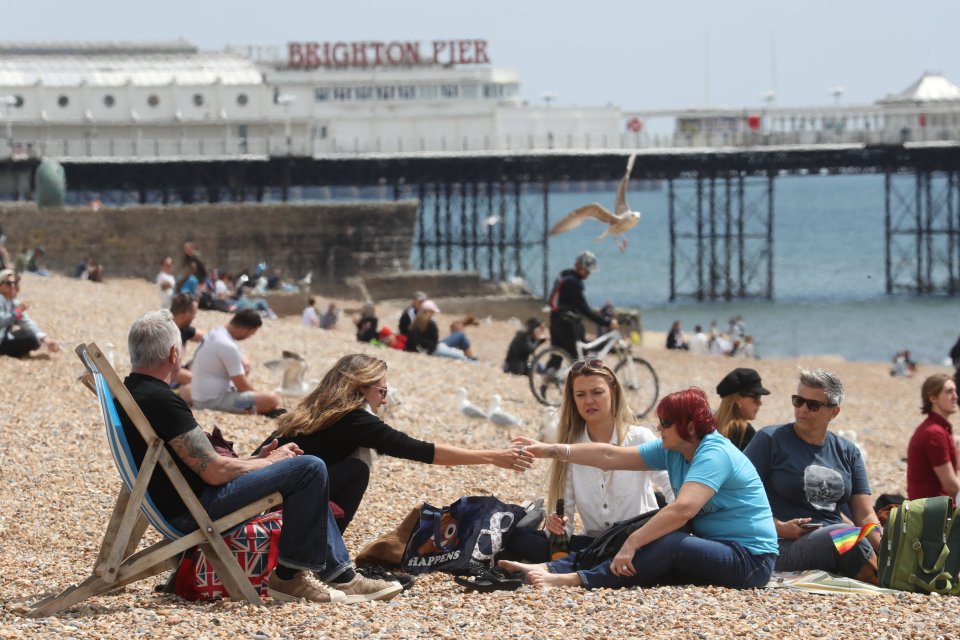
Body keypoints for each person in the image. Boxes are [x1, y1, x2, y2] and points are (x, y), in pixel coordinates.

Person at [116, 309, 402, 603]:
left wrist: (257, 461)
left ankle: (326, 572)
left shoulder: (135, 393)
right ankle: (297, 577)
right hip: (195, 510)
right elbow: (213, 471)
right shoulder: (162, 401)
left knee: (299, 465)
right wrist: (270, 462)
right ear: (175, 354)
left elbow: (203, 464)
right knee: (310, 468)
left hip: (183, 500)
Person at [500, 388, 778, 590]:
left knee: (664, 540)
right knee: (643, 535)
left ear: (690, 427)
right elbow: (610, 457)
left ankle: (576, 579)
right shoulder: (675, 449)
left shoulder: (713, 453)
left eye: (666, 423)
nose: (658, 427)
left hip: (750, 560)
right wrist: (550, 449)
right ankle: (551, 567)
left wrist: (633, 543)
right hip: (716, 548)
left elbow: (683, 509)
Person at [262, 353, 533, 532]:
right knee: (356, 471)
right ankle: (325, 555)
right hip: (276, 498)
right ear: (360, 389)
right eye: (382, 391)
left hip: (263, 488)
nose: (384, 399)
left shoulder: (315, 408)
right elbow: (422, 451)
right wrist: (492, 456)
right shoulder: (354, 419)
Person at [505, 358, 673, 562]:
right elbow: (564, 518)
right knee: (517, 538)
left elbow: (671, 485)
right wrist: (555, 529)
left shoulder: (639, 437)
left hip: (640, 541)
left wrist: (672, 525)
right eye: (581, 395)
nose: (589, 401)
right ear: (573, 399)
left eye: (597, 392)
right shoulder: (571, 448)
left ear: (614, 391)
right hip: (595, 542)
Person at [743, 368, 882, 582]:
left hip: (836, 537)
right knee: (846, 535)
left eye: (813, 405)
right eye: (798, 401)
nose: (803, 409)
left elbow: (864, 515)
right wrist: (780, 527)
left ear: (834, 412)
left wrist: (888, 549)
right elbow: (738, 499)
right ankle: (883, 580)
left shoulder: (848, 452)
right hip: (783, 544)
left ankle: (892, 572)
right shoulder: (770, 440)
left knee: (866, 537)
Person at [190, 309, 282, 416]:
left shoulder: (216, 333)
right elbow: (242, 386)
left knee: (262, 397)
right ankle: (259, 408)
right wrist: (260, 397)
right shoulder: (228, 346)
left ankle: (257, 408)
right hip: (213, 402)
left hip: (199, 396)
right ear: (244, 330)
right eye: (251, 334)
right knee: (271, 399)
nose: (249, 337)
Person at [546, 251, 618, 367]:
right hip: (567, 324)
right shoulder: (574, 283)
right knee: (578, 359)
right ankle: (576, 383)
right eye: (587, 271)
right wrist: (607, 322)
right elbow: (585, 310)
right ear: (581, 268)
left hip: (555, 319)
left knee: (557, 356)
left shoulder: (565, 274)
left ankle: (547, 380)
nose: (588, 274)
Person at [906, 373, 959, 499]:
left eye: (955, 391)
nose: (955, 397)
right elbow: (952, 487)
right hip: (933, 511)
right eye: (949, 392)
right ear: (933, 398)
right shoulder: (934, 433)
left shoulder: (938, 428)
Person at [0, 269, 59, 358]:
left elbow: (26, 323)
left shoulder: (14, 303)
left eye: (15, 283)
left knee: (31, 337)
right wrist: (17, 312)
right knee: (30, 338)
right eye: (8, 283)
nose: (12, 286)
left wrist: (46, 340)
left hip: (3, 338)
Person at [714, 367, 770, 451]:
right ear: (738, 399)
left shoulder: (709, 426)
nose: (760, 402)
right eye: (756, 396)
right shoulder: (744, 431)